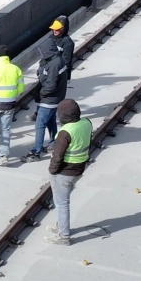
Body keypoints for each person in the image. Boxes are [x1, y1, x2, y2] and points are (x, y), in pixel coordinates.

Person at [28, 16, 74, 160]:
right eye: (54, 29)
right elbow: (46, 59)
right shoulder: (51, 51)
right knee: (51, 120)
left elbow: (51, 83)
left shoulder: (65, 46)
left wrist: (41, 93)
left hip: (49, 98)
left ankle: (36, 151)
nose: (55, 31)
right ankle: (53, 142)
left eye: (58, 29)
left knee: (40, 124)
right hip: (53, 95)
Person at [45, 98, 91, 245]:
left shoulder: (65, 132)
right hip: (79, 167)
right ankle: (60, 226)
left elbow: (57, 156)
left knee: (61, 203)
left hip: (65, 171)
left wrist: (52, 171)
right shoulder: (86, 122)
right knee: (62, 200)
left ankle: (64, 236)